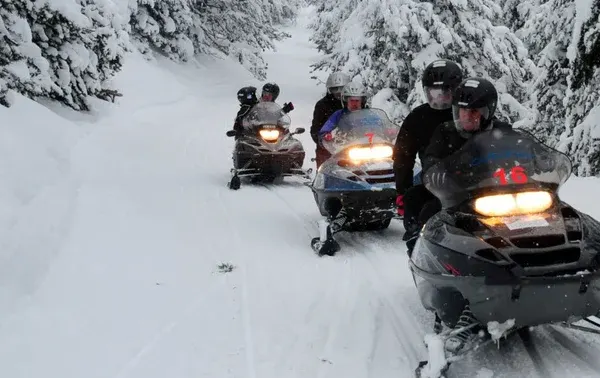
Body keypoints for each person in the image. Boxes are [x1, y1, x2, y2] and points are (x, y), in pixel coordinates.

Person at [409, 77, 512, 256]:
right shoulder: (445, 132)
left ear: (487, 112)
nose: (466, 116)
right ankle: (421, 247)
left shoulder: (502, 132)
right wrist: (434, 169)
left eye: (473, 111)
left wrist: (538, 160)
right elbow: (431, 155)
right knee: (424, 205)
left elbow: (521, 149)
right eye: (462, 110)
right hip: (456, 193)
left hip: (498, 189)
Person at [392, 59, 463, 252]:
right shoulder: (418, 117)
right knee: (418, 206)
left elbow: (493, 137)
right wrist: (402, 190)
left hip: (475, 180)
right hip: (436, 184)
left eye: (446, 93)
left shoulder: (468, 113)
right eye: (434, 93)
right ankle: (420, 249)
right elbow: (402, 157)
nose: (440, 99)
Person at [311, 72, 351, 168]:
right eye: (334, 89)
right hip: (329, 146)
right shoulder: (322, 105)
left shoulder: (353, 102)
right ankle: (320, 180)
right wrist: (322, 140)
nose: (338, 92)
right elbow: (315, 128)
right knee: (324, 169)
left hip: (351, 144)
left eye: (341, 88)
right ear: (329, 90)